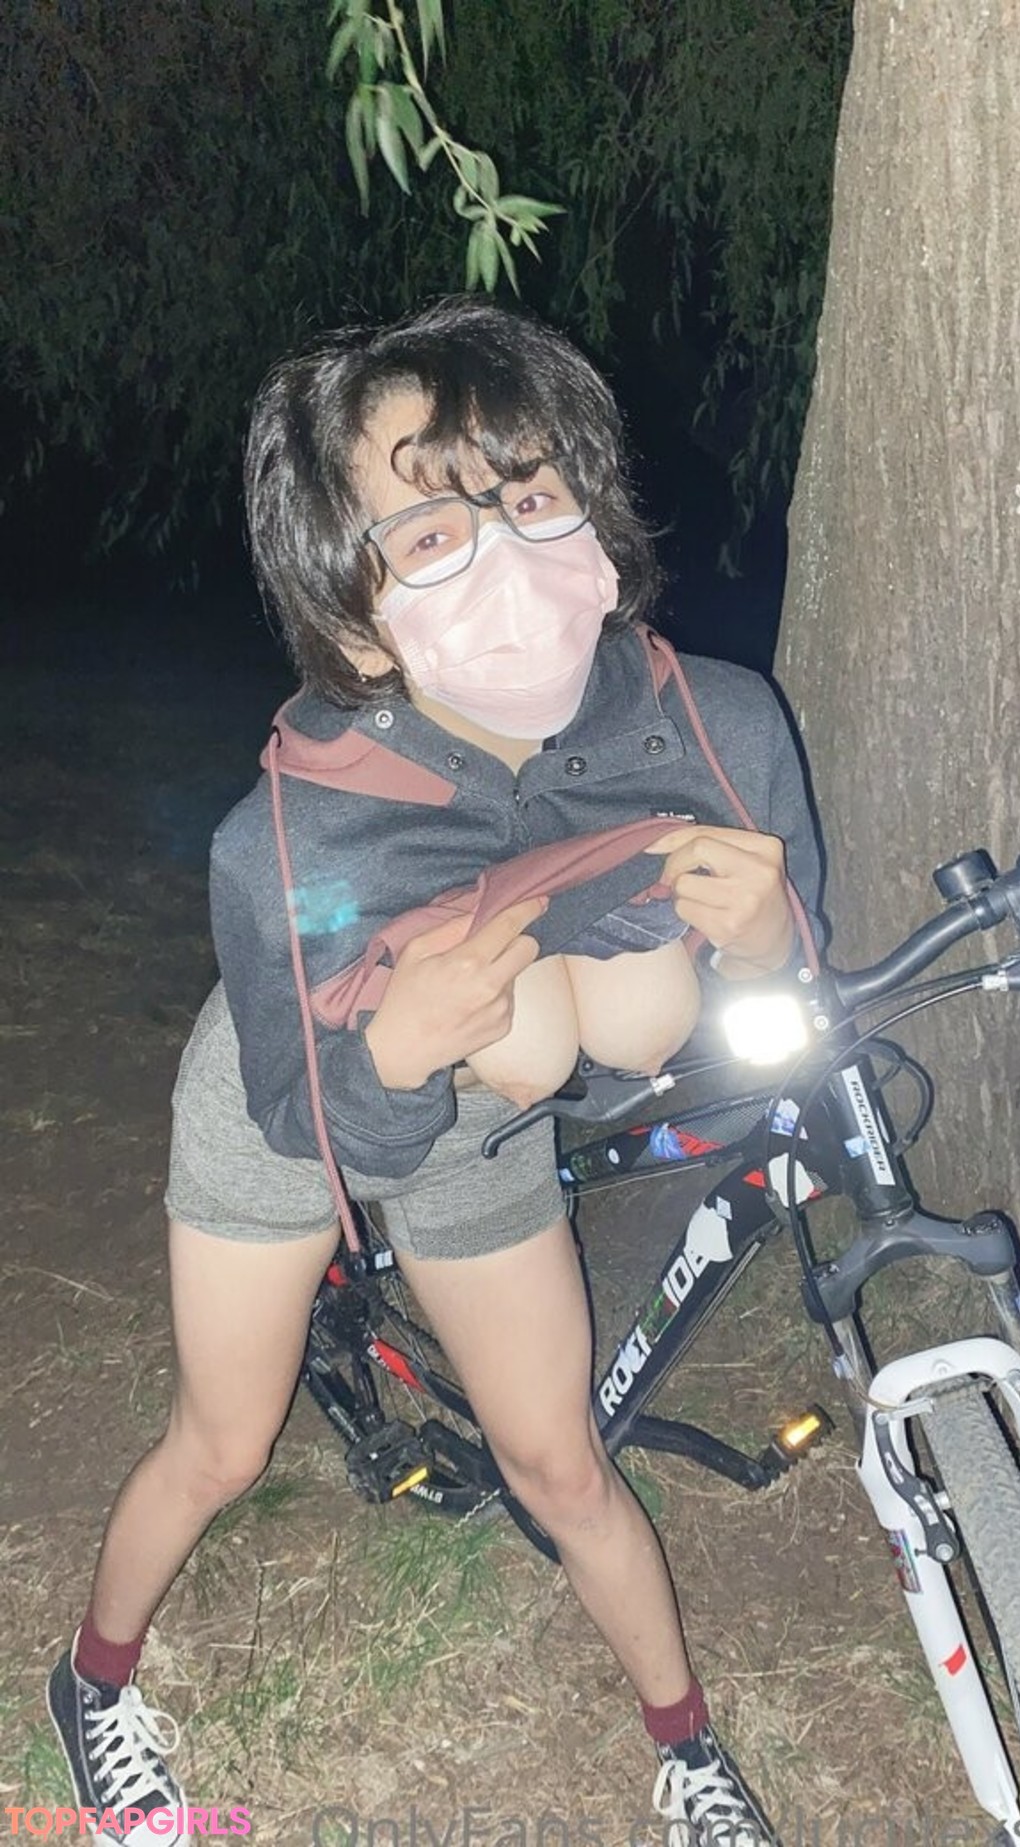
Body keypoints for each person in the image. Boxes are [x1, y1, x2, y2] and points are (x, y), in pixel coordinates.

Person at [48, 297, 823, 1847]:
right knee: (223, 1444)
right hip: (293, 1111)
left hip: (488, 1134)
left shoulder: (715, 727)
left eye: (530, 499)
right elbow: (308, 1106)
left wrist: (766, 940)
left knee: (559, 1461)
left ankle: (688, 1753)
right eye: (429, 537)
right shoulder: (294, 837)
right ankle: (94, 1682)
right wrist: (395, 1051)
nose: (504, 561)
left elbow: (786, 982)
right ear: (355, 619)